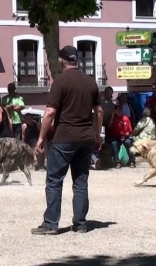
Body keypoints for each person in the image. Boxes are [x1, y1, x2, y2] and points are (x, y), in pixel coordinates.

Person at [32, 45, 103, 235]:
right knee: (80, 181)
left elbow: (50, 112)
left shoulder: (60, 82)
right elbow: (99, 111)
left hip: (64, 137)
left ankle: (50, 224)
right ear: (76, 60)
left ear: (61, 61)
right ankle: (80, 223)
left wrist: (40, 138)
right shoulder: (90, 82)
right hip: (86, 137)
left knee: (54, 180)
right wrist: (97, 135)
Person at [109, 103, 135, 168]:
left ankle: (132, 161)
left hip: (125, 137)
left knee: (128, 143)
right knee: (113, 143)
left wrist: (126, 135)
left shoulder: (126, 118)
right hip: (116, 136)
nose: (119, 111)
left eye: (120, 109)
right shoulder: (113, 118)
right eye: (117, 110)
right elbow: (109, 125)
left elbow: (130, 130)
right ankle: (117, 162)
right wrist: (112, 115)